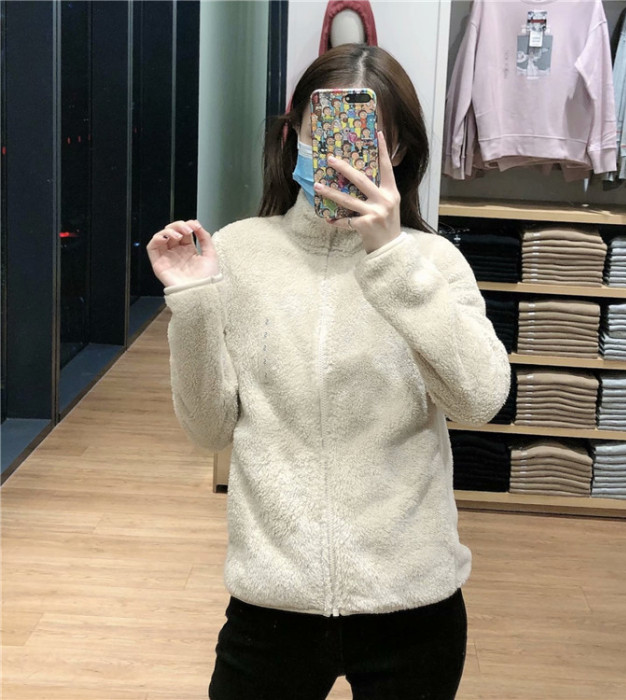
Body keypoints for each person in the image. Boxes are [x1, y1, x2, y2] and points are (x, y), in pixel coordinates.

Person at [146, 44, 510, 700]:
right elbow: (208, 429)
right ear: (295, 138)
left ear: (398, 151)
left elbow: (479, 398)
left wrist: (390, 256)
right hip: (271, 606)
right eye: (322, 136)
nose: (338, 157)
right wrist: (194, 303)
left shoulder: (432, 263)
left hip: (412, 606)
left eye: (365, 139)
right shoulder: (238, 253)